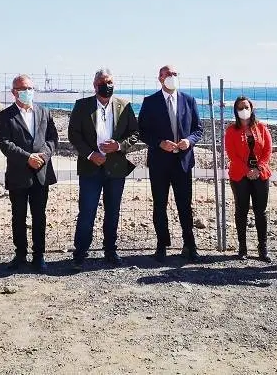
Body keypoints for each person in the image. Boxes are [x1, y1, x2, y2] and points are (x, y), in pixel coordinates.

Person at [68, 68, 139, 271]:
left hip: (116, 168)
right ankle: (80, 253)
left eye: (109, 82)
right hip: (91, 167)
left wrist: (118, 145)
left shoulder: (124, 105)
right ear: (94, 85)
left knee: (113, 211)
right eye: (102, 82)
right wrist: (91, 155)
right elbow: (74, 134)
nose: (106, 85)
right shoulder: (82, 106)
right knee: (87, 211)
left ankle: (110, 250)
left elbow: (134, 133)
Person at [138, 64, 204, 263]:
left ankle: (189, 245)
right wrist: (159, 143)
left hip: (182, 163)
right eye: (168, 74)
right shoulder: (150, 102)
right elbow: (142, 131)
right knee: (160, 205)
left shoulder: (189, 100)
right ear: (160, 78)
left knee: (185, 205)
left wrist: (189, 141)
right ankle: (161, 245)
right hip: (159, 162)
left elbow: (198, 129)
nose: (172, 77)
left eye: (175, 74)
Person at [0, 74, 59, 273]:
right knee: (18, 216)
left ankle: (39, 255)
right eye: (23, 89)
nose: (27, 92)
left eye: (30, 88)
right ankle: (20, 254)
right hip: (18, 174)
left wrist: (44, 156)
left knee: (40, 216)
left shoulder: (44, 112)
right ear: (14, 92)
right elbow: (5, 144)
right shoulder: (5, 116)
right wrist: (27, 158)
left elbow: (53, 138)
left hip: (41, 172)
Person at [224, 96, 273, 262]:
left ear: (251, 108)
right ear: (236, 111)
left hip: (261, 174)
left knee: (261, 211)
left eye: (246, 106)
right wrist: (247, 170)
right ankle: (242, 247)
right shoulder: (231, 130)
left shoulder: (262, 127)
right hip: (239, 175)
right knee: (241, 210)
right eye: (239, 107)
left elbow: (267, 151)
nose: (243, 110)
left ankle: (262, 248)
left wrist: (258, 168)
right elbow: (231, 154)